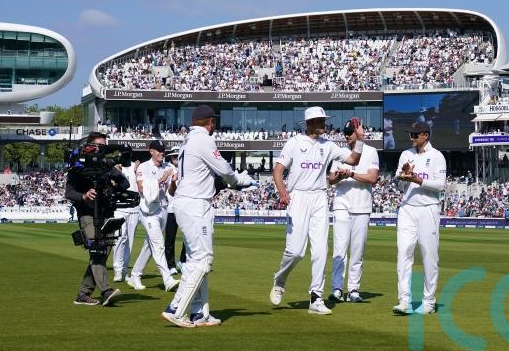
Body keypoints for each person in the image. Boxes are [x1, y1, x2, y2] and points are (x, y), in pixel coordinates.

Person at [162, 105, 256, 328]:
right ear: (209, 122)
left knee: (197, 260)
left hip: (188, 203)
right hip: (195, 205)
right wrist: (241, 181)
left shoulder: (188, 141)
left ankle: (199, 313)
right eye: (214, 122)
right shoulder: (203, 140)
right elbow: (224, 169)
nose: (215, 126)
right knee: (203, 260)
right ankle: (176, 308)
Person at [269, 106, 366, 315]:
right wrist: (283, 192)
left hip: (320, 197)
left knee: (321, 250)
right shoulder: (294, 143)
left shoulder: (328, 145)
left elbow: (353, 160)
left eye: (324, 120)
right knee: (295, 251)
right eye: (320, 121)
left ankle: (316, 297)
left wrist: (360, 139)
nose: (324, 124)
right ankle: (280, 279)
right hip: (299, 197)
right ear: (310, 123)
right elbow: (278, 170)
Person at [65, 132, 129, 307]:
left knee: (101, 253)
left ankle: (83, 294)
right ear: (90, 146)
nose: (102, 150)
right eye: (100, 145)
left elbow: (124, 183)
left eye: (104, 146)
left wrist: (113, 188)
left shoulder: (107, 166)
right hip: (87, 213)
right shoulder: (78, 166)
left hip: (106, 213)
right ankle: (106, 291)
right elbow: (69, 192)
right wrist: (84, 196)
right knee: (97, 250)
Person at [392, 121, 446, 315]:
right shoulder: (406, 155)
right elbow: (399, 186)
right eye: (410, 135)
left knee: (429, 256)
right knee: (403, 253)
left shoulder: (437, 156)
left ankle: (429, 302)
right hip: (407, 209)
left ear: (426, 135)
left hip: (428, 209)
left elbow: (440, 185)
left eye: (415, 135)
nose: (411, 138)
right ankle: (404, 301)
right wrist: (404, 176)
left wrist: (417, 179)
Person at [328, 119, 379, 304]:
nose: (347, 136)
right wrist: (338, 175)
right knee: (339, 249)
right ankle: (337, 289)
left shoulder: (371, 151)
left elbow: (372, 177)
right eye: (346, 133)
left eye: (350, 132)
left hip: (362, 207)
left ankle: (354, 290)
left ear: (359, 133)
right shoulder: (340, 153)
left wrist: (350, 174)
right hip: (342, 204)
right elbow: (331, 179)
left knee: (357, 251)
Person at [127, 140, 180, 292]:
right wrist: (162, 179)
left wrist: (173, 182)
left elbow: (171, 193)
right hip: (148, 210)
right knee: (158, 244)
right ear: (151, 151)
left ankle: (135, 275)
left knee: (150, 246)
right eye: (158, 150)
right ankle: (167, 279)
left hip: (163, 208)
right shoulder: (144, 167)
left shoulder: (169, 167)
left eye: (163, 150)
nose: (161, 153)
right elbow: (142, 188)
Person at [112, 158, 141, 282]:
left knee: (129, 240)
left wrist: (136, 171)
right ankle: (117, 269)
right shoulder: (116, 167)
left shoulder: (137, 167)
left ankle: (124, 270)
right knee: (120, 237)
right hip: (119, 207)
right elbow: (113, 184)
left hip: (134, 208)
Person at [163, 146, 186, 275]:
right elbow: (169, 191)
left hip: (183, 208)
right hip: (171, 208)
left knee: (187, 238)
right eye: (174, 156)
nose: (176, 158)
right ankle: (170, 265)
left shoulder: (185, 168)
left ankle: (183, 261)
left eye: (178, 156)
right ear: (171, 157)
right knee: (170, 239)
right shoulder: (167, 169)